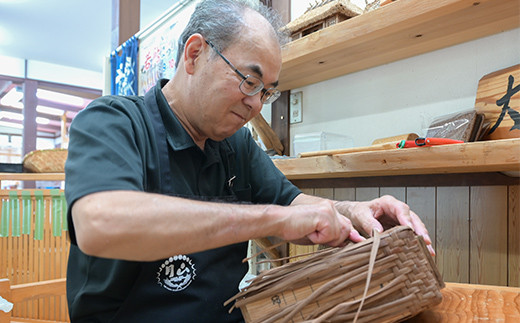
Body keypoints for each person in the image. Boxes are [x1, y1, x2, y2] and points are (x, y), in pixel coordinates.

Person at [64, 0, 434, 322]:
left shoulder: (235, 144)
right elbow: (100, 224)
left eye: (267, 92)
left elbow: (293, 204)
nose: (256, 104)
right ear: (195, 55)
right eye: (249, 81)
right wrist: (273, 219)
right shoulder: (114, 121)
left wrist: (352, 210)